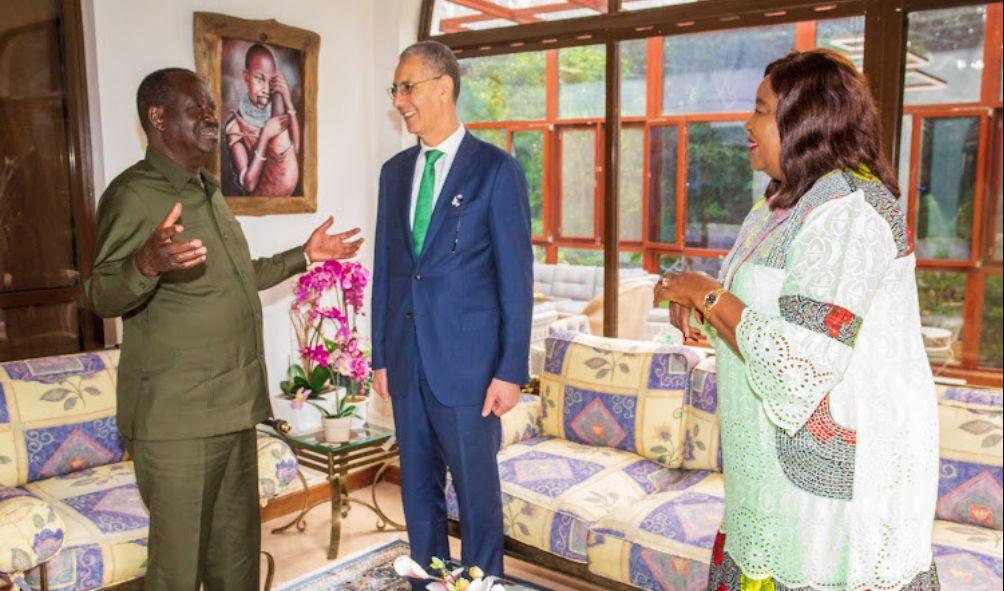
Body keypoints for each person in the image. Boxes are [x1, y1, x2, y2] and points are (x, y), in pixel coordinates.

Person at [654, 49, 940, 591]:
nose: (747, 123)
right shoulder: (777, 205)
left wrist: (707, 293)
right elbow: (758, 305)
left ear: (805, 117)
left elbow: (799, 366)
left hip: (832, 495)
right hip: (770, 471)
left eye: (760, 109)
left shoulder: (851, 210)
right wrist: (696, 299)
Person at [85, 67, 362, 591]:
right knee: (179, 568)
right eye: (198, 109)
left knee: (236, 558)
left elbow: (240, 278)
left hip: (235, 410)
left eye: (213, 106)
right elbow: (101, 295)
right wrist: (143, 264)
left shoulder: (208, 190)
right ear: (158, 118)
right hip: (178, 421)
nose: (213, 116)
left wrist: (305, 255)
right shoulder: (133, 194)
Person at [370, 41, 533, 583]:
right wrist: (380, 357)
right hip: (407, 363)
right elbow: (390, 272)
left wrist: (511, 370)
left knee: (478, 503)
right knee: (418, 497)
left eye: (407, 86)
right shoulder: (394, 173)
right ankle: (429, 581)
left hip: (469, 371)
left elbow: (516, 282)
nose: (399, 99)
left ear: (443, 87)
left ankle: (481, 585)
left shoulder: (495, 170)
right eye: (395, 88)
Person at [224, 43, 300, 196]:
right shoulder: (235, 127)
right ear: (246, 78)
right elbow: (249, 183)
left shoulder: (276, 112)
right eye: (260, 79)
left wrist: (288, 100)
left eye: (270, 82)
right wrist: (265, 135)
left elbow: (295, 151)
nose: (265, 89)